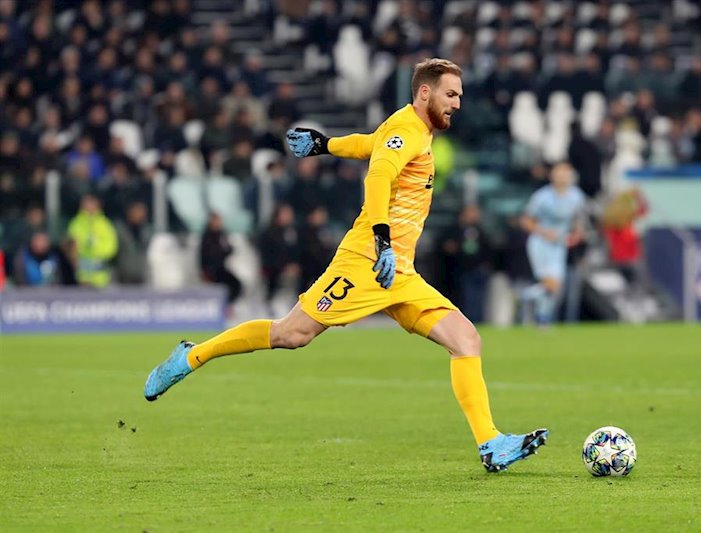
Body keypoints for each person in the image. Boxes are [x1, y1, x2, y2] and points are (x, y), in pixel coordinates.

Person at [144, 58, 547, 473]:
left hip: (399, 271)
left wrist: (325, 145)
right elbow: (378, 177)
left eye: (459, 95)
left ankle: (490, 444)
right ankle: (192, 357)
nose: (457, 103)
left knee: (465, 340)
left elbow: (368, 144)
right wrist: (382, 240)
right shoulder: (408, 130)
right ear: (425, 92)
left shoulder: (410, 128)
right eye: (451, 94)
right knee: (291, 333)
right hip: (366, 261)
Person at [518, 163, 586, 327]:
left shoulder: (577, 196)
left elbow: (579, 221)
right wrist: (544, 232)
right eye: (559, 174)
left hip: (559, 245)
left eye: (566, 174)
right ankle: (524, 297)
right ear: (552, 176)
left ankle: (541, 317)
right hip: (540, 243)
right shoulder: (541, 197)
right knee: (550, 283)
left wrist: (577, 235)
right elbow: (525, 221)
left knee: (555, 287)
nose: (563, 178)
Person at [67, 194, 118, 288]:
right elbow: (72, 246)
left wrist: (95, 248)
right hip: (82, 277)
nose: (89, 207)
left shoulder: (105, 224)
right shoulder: (76, 224)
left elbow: (111, 248)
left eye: (91, 203)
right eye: (86, 204)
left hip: (101, 278)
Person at [199, 212, 242, 305]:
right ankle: (224, 305)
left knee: (236, 284)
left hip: (221, 268)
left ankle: (227, 304)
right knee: (230, 284)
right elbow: (205, 255)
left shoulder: (221, 235)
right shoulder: (207, 236)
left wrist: (228, 250)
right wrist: (204, 272)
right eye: (216, 220)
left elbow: (227, 249)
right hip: (211, 270)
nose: (218, 223)